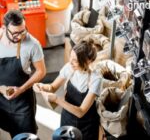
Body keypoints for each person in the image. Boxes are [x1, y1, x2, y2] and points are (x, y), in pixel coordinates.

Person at [34, 40, 102, 140]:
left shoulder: (95, 78)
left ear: (87, 61)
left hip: (87, 124)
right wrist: (42, 86)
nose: (70, 62)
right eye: (71, 57)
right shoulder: (69, 68)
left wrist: (57, 99)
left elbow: (81, 112)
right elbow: (52, 87)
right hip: (67, 118)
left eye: (75, 60)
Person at [0, 9, 46, 138]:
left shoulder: (32, 44)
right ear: (4, 28)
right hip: (0, 100)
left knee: (24, 136)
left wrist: (21, 89)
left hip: (22, 104)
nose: (20, 36)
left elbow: (41, 71)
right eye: (15, 33)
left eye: (23, 31)